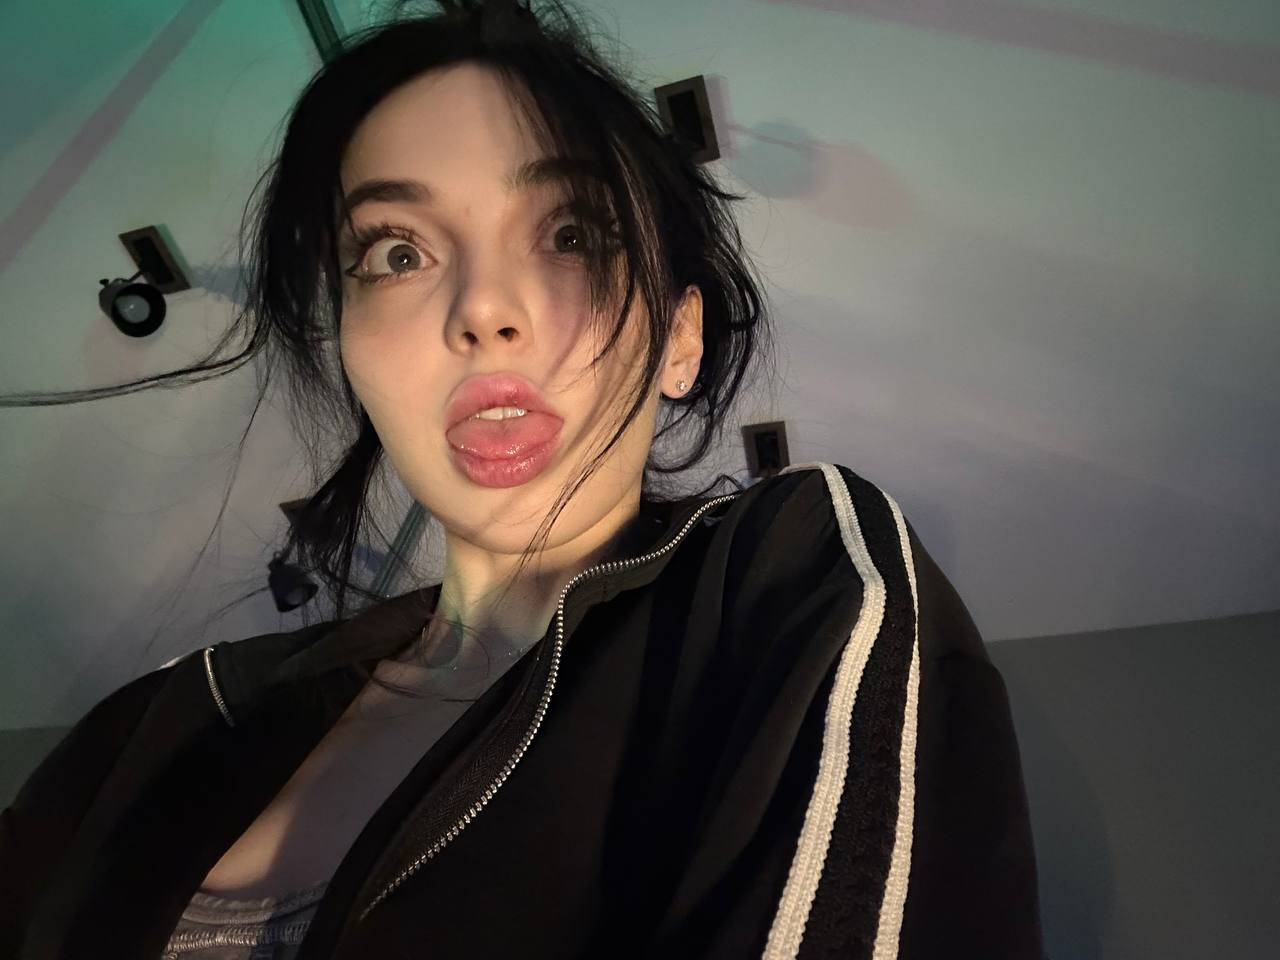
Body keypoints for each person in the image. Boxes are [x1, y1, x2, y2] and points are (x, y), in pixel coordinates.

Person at [0, 1, 1044, 957]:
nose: (483, 310)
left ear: (680, 340)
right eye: (396, 252)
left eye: (573, 233)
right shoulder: (162, 723)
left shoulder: (784, 574)